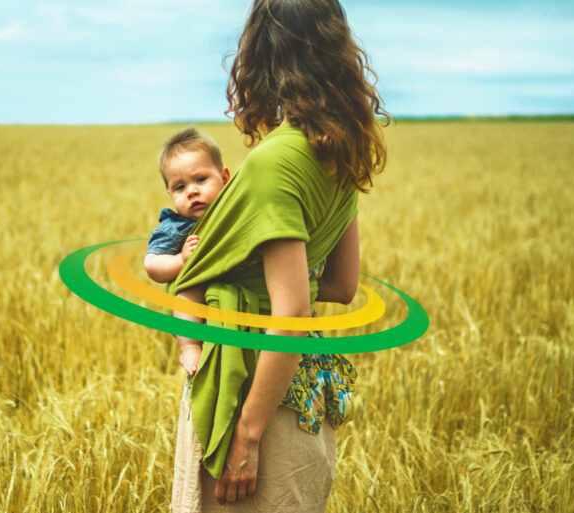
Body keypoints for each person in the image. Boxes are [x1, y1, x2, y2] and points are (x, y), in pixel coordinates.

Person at [169, 0, 389, 511]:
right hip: (302, 393)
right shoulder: (339, 150)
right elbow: (339, 286)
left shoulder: (272, 163)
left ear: (262, 53)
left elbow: (287, 315)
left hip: (250, 393)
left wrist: (245, 436)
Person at [145, 127, 231, 376]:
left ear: (224, 177)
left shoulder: (234, 213)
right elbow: (152, 265)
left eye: (201, 180)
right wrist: (181, 260)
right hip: (202, 286)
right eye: (180, 187)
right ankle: (190, 345)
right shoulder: (175, 227)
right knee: (187, 292)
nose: (192, 191)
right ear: (170, 194)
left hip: (240, 288)